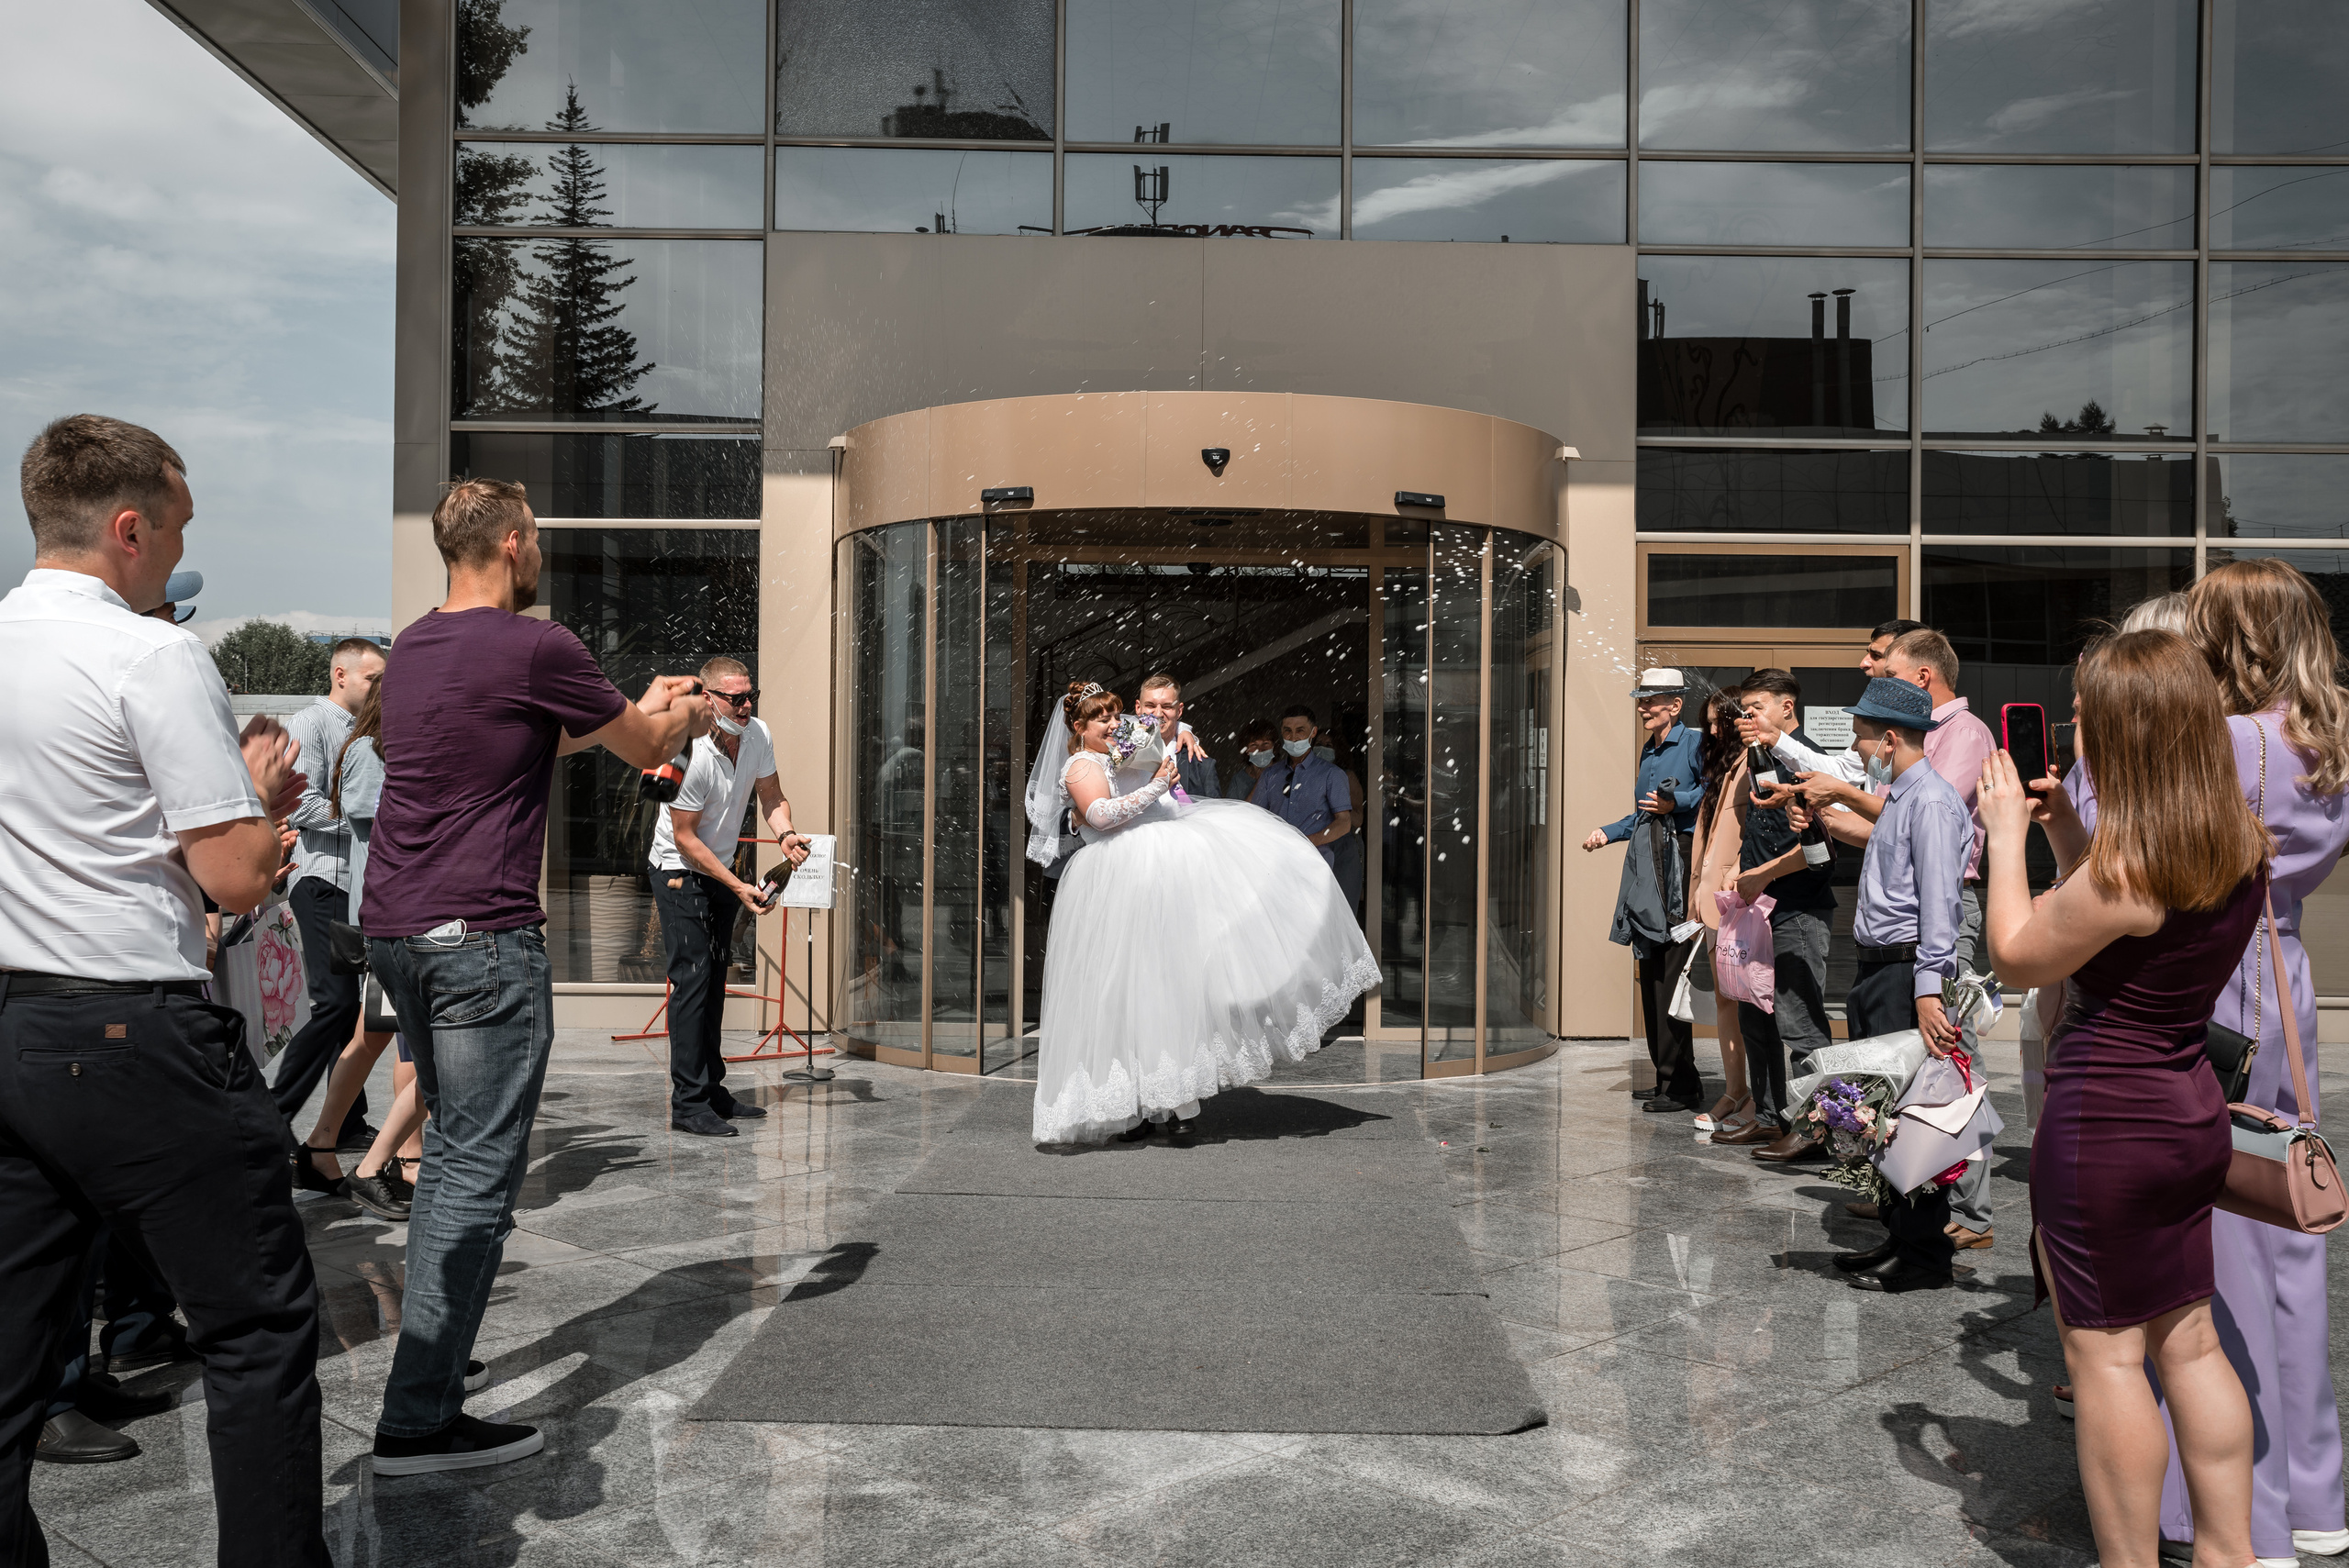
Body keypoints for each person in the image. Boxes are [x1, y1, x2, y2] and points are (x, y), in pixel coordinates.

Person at [0, 412, 330, 1564]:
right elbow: (232, 873)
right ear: (129, 528)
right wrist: (265, 800)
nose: (180, 547)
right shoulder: (149, 652)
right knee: (257, 1327)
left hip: (12, 1025)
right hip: (130, 1022)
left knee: (8, 1361)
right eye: (178, 525)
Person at [361, 477, 708, 1476]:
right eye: (539, 537)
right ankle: (419, 1416)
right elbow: (643, 749)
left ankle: (436, 1355)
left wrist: (621, 711)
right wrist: (673, 714)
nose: (541, 550)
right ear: (514, 544)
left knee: (452, 1160)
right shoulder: (539, 642)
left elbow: (516, 733)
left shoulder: (414, 645)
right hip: (481, 937)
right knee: (475, 1169)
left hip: (396, 927)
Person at [1984, 628, 2268, 1568]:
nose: (2076, 729)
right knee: (2187, 1340)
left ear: (2126, 732)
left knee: (2105, 1356)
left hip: (2105, 1119)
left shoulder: (2127, 870)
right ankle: (2229, 1550)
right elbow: (2122, 921)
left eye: (2086, 717)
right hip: (2184, 1109)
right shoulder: (2236, 843)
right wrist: (2065, 826)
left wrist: (2002, 837)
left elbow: (2019, 952)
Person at [2153, 561, 2349, 1567]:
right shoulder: (2331, 738)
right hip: (2286, 976)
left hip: (2208, 978)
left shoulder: (2218, 740)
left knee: (2214, 1247)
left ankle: (2245, 1514)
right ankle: (2315, 1495)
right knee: (2286, 1231)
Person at [1025, 682, 1379, 1142]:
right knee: (1124, 990)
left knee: (1170, 986)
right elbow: (1100, 816)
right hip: (1118, 876)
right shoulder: (1081, 763)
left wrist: (1183, 729)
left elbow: (1156, 728)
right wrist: (1155, 785)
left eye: (1116, 716)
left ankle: (1172, 1100)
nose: (1115, 725)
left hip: (1155, 869)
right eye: (1104, 719)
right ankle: (1138, 1105)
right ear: (1079, 726)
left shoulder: (1122, 739)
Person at [1822, 677, 1970, 1293]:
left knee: (1911, 1117)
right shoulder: (1902, 797)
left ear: (1888, 738)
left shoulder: (1930, 802)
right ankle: (1900, 1238)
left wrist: (1928, 985)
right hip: (1880, 968)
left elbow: (1939, 900)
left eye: (1861, 735)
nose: (1857, 746)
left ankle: (1924, 1256)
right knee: (1879, 1116)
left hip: (1905, 970)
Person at [648, 655, 812, 1138]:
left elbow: (771, 795)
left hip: (717, 869)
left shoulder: (757, 734)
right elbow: (686, 839)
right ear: (709, 698)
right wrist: (740, 886)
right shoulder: (688, 749)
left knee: (714, 976)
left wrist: (785, 834)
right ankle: (688, 1102)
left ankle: (713, 1090)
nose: (744, 705)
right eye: (735, 698)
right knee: (693, 979)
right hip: (679, 869)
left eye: (750, 696)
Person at [289, 675, 431, 1221]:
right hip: (396, 917)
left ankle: (322, 1147)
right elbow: (379, 825)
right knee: (412, 1047)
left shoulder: (376, 747)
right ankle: (395, 1164)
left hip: (390, 914)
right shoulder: (374, 750)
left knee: (375, 1036)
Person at [270, 634, 386, 1151]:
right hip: (319, 881)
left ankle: (346, 1123)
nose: (382, 687)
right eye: (373, 678)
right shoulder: (310, 724)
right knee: (334, 1006)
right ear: (340, 675)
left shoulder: (367, 729)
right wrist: (368, 822)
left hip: (352, 882)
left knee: (352, 1009)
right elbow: (297, 803)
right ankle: (274, 1117)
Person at [1714, 671, 1837, 1158]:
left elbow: (1819, 848)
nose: (1749, 717)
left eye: (1758, 707)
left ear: (1788, 708)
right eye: (1745, 709)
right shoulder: (1757, 760)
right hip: (1756, 909)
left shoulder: (1808, 762)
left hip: (1798, 910)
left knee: (1799, 1023)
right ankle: (1768, 1118)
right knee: (1754, 1016)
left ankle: (1816, 1129)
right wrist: (1738, 872)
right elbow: (1762, 830)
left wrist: (1761, 873)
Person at [1582, 669, 1706, 1112]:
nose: (1642, 708)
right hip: (1649, 864)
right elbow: (1641, 815)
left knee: (1671, 974)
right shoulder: (1649, 750)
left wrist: (1679, 803)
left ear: (1675, 704)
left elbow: (1714, 793)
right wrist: (1607, 831)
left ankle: (1682, 1086)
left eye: (1650, 701)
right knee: (1651, 971)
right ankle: (1667, 1078)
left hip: (1678, 865)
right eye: (1640, 700)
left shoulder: (1693, 742)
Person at [1687, 686, 1755, 1138]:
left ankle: (1755, 1101)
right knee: (1727, 1004)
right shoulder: (1724, 768)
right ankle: (1736, 1091)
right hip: (1715, 903)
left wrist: (1732, 877)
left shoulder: (1752, 764)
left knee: (1746, 1004)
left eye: (1719, 722)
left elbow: (1756, 835)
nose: (1712, 730)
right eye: (1709, 722)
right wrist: (1696, 891)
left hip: (1740, 902)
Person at [1241, 705, 1354, 867]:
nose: (1293, 737)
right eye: (1288, 730)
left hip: (1314, 862)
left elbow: (1344, 823)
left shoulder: (1332, 774)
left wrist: (1308, 841)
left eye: (1300, 730)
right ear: (1282, 731)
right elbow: (1254, 817)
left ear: (1313, 732)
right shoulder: (1270, 774)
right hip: (1275, 861)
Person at [1134, 673, 1219, 800]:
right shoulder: (1121, 755)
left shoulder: (1203, 766)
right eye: (1150, 706)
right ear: (1138, 708)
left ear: (1179, 711)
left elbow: (1215, 815)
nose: (1158, 714)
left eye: (1167, 706)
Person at [1224, 718, 1277, 800]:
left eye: (1265, 744)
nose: (1260, 750)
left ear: (1274, 747)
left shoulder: (1284, 774)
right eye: (1254, 745)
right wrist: (1261, 781)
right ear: (1247, 751)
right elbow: (1235, 811)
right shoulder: (1239, 780)